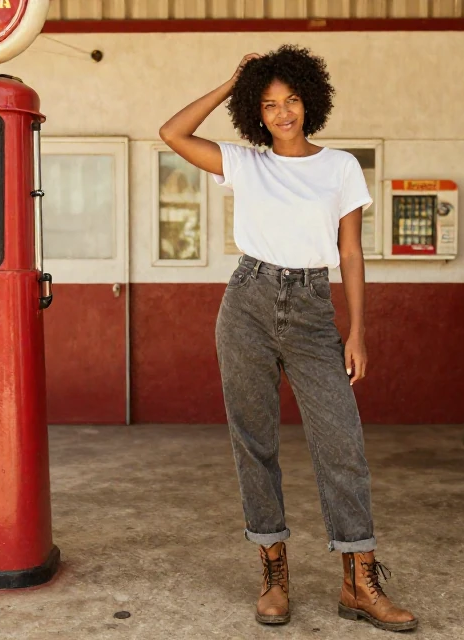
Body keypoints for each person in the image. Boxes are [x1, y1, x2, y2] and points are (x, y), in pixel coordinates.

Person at [158, 46, 416, 632]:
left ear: (310, 100)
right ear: (256, 111)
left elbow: (350, 251)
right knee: (255, 441)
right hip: (246, 300)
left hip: (311, 308)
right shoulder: (245, 163)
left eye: (291, 99)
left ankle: (359, 580)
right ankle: (274, 571)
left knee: (342, 443)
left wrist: (358, 329)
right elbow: (172, 132)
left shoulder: (341, 167)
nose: (282, 112)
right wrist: (232, 81)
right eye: (268, 103)